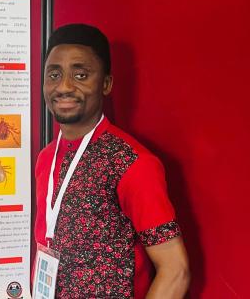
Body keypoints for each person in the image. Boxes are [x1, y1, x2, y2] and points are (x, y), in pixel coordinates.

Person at [34, 24, 190, 298]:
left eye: (80, 75)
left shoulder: (131, 162)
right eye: (54, 74)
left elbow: (176, 269)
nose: (64, 86)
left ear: (106, 84)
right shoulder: (46, 157)